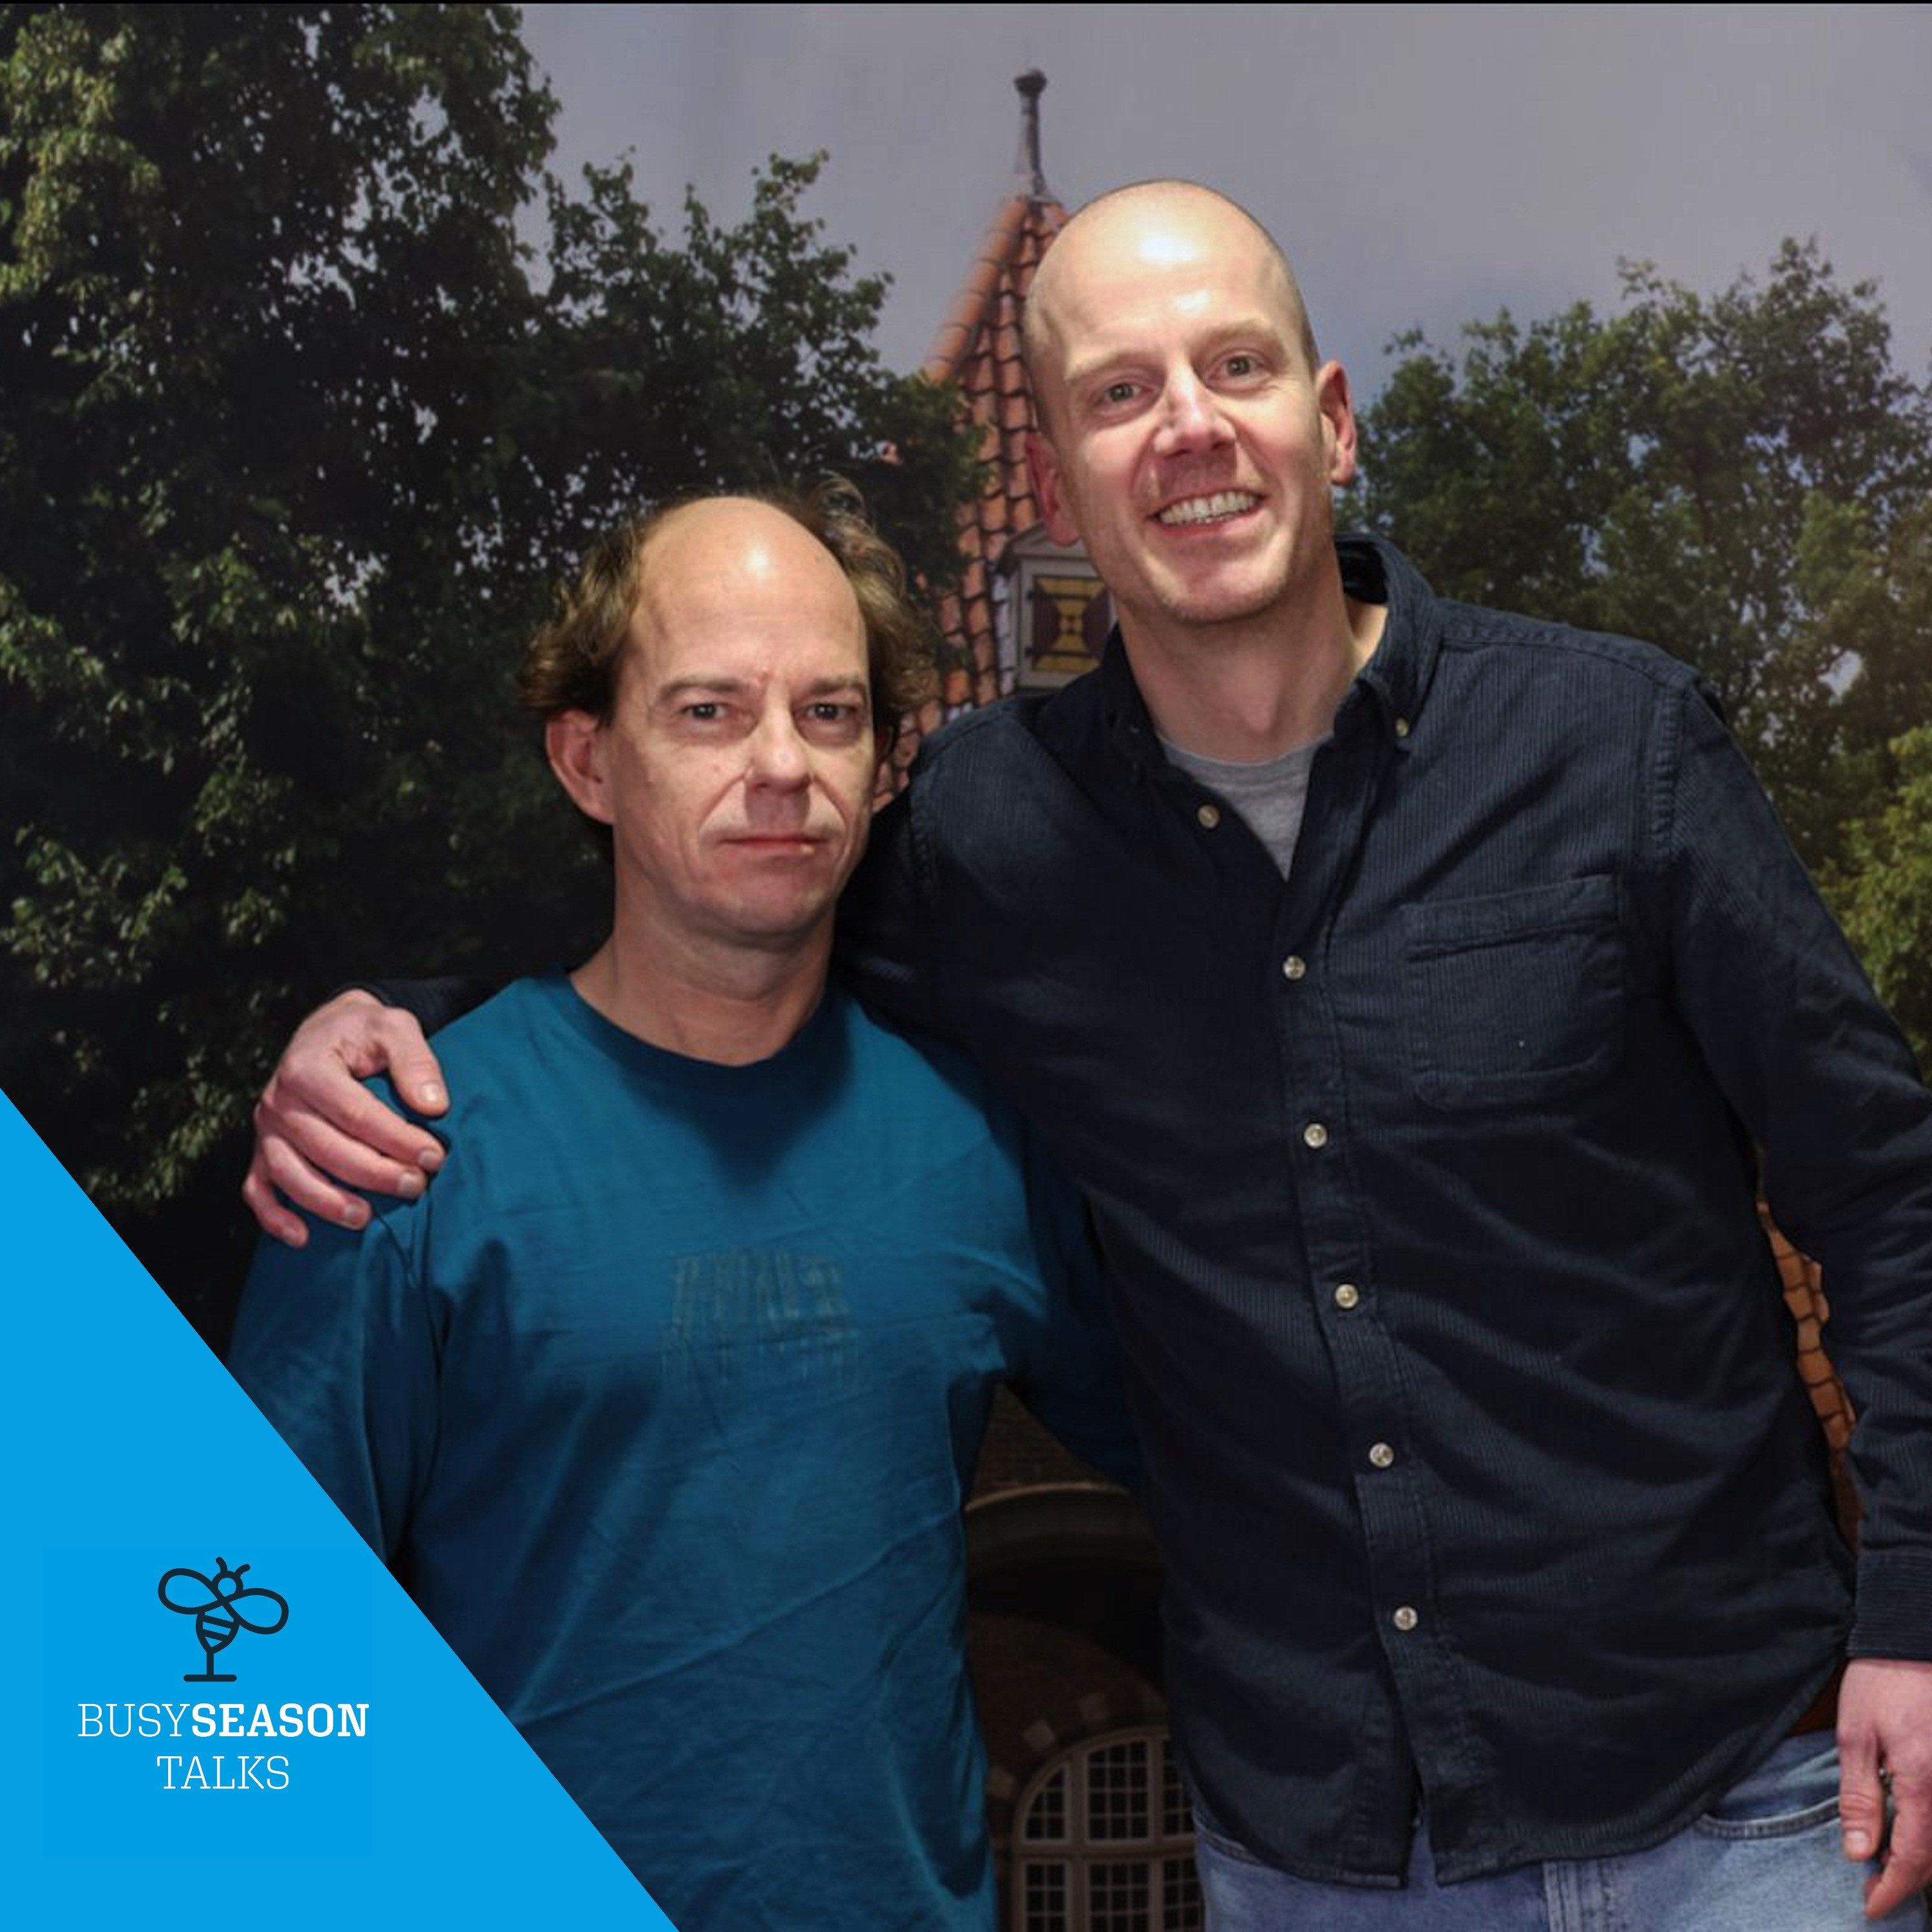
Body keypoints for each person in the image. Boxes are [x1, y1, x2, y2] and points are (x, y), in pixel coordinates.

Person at [243, 186, 1932, 1929]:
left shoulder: (1610, 742)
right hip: (1331, 1864)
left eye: (1235, 366)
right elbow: (708, 925)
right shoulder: (985, 839)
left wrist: (1922, 1615)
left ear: (1332, 420)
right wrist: (398, 1021)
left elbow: (1889, 1193)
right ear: (1055, 486)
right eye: (1122, 391)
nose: (1188, 425)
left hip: (1744, 1813)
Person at [227, 489, 1133, 1931]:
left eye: (830, 714)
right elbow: (234, 1649)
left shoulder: (978, 1142)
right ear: (588, 760)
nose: (781, 766)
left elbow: (1228, 1462)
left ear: (885, 770)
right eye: (709, 712)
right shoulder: (393, 1153)